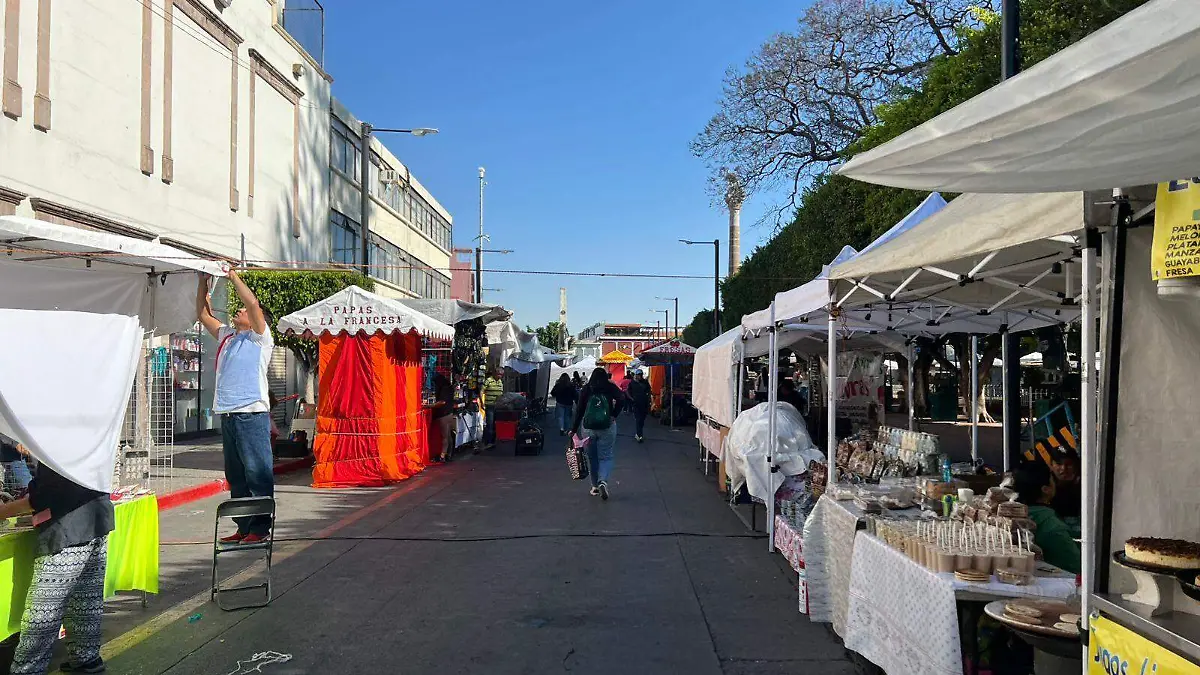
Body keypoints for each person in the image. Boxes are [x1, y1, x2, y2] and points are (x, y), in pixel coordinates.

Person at [0, 463, 115, 674]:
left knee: (43, 613)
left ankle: (28, 669)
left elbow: (41, 497)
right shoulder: (89, 437)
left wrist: (5, 511)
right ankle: (86, 660)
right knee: (85, 602)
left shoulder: (59, 446)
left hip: (66, 529)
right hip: (96, 520)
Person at [197, 270, 275, 545]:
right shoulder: (228, 335)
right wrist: (202, 281)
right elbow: (203, 314)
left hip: (251, 413)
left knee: (257, 472)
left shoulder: (260, 338)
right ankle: (243, 527)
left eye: (242, 310)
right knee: (237, 476)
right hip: (229, 414)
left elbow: (252, 304)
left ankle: (260, 529)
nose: (239, 311)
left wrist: (232, 276)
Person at [1012, 460, 1081, 574]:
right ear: (1046, 489)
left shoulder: (1017, 513)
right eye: (1052, 479)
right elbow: (1075, 564)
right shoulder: (1050, 523)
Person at [571, 367, 624, 500]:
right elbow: (622, 398)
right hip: (607, 426)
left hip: (588, 428)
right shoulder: (610, 387)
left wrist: (573, 429)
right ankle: (603, 481)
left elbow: (579, 410)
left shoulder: (587, 389)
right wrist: (614, 415)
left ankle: (594, 486)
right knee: (606, 456)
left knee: (592, 458)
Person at [432, 373, 457, 462]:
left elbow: (442, 402)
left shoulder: (444, 389)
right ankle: (449, 454)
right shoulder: (449, 387)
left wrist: (430, 406)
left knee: (444, 435)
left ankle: (443, 455)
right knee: (448, 435)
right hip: (449, 412)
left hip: (444, 413)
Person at [627, 371, 652, 443]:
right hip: (636, 404)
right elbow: (627, 391)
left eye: (639, 375)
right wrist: (632, 399)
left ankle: (639, 433)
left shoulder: (645, 382)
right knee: (638, 419)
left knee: (642, 420)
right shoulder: (632, 383)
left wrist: (649, 400)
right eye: (637, 375)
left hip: (644, 404)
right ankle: (639, 435)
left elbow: (649, 390)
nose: (638, 376)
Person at [482, 370, 504, 447]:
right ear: (494, 373)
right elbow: (481, 391)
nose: (500, 376)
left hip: (498, 406)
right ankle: (488, 442)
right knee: (490, 424)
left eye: (501, 375)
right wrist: (482, 403)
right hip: (490, 405)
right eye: (498, 374)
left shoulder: (500, 382)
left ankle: (494, 441)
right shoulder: (488, 380)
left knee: (496, 424)